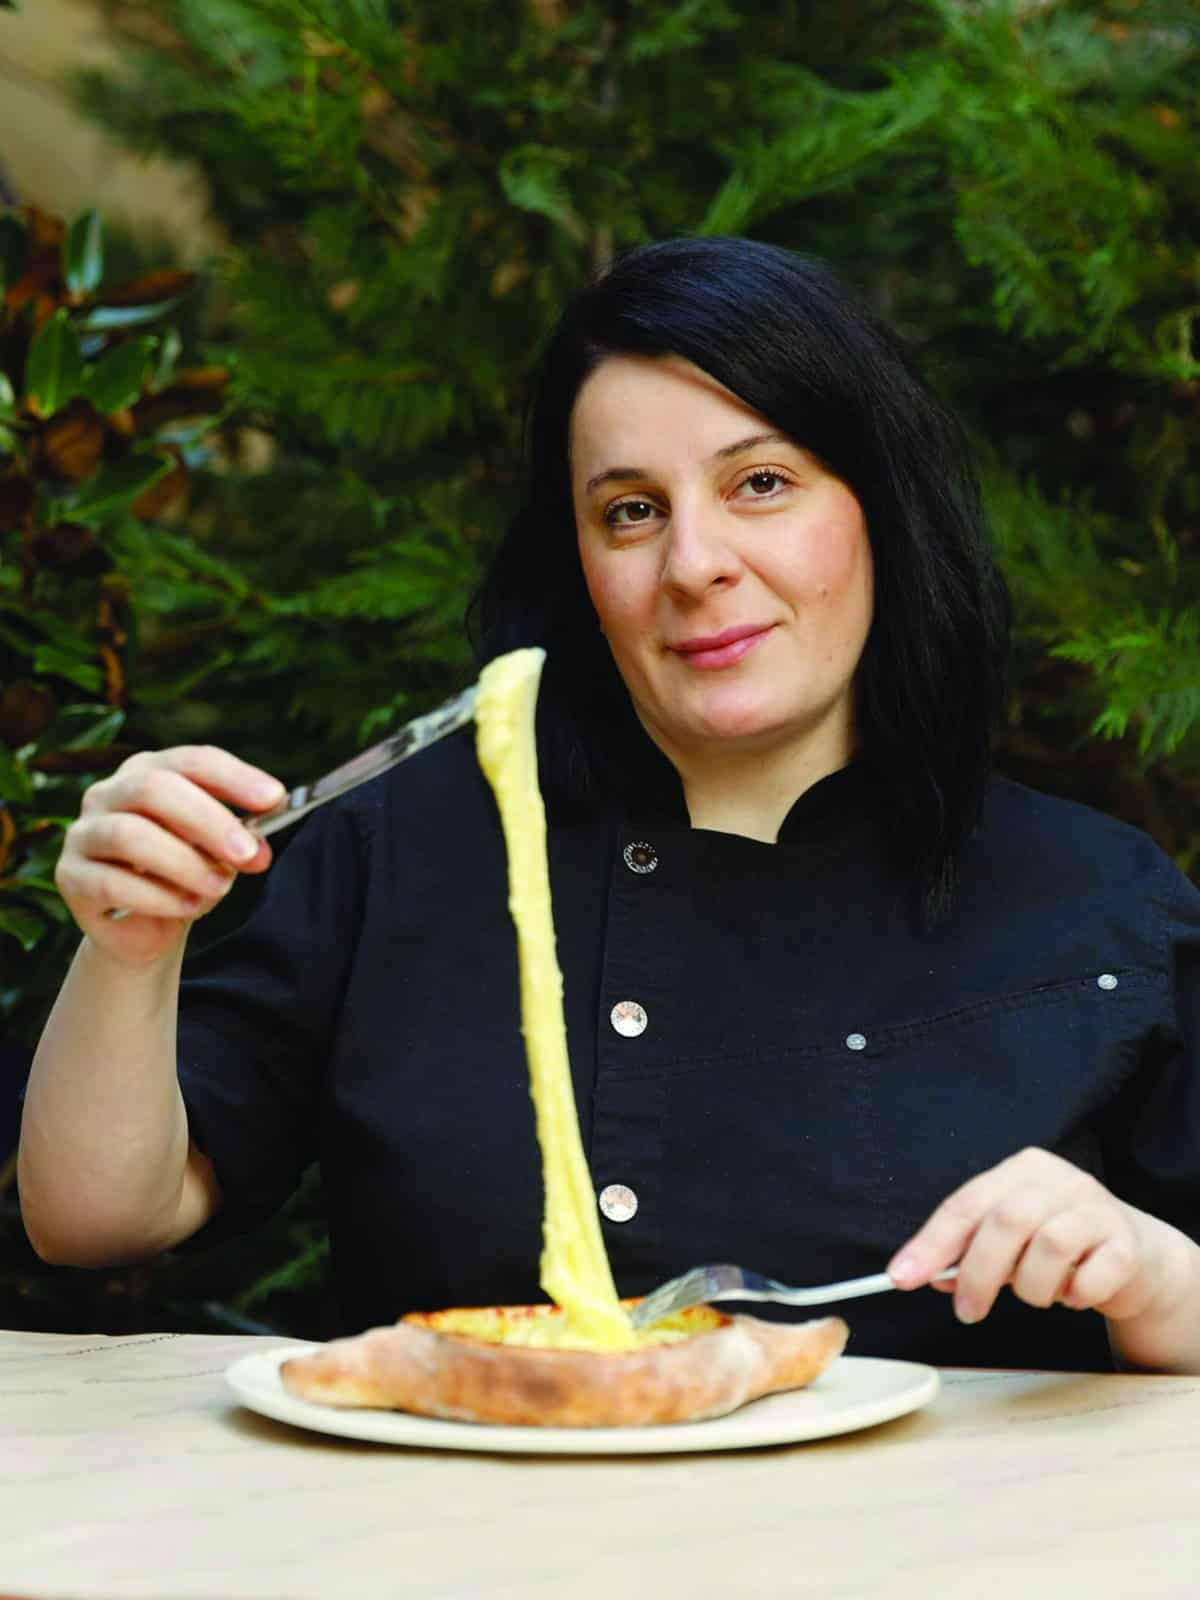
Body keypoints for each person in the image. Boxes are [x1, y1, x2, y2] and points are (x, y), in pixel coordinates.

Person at [19, 237, 1200, 1374]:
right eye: (630, 509)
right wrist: (130, 946)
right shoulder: (408, 847)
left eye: (762, 483)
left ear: (882, 508)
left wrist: (1152, 1272)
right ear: (579, 561)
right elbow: (97, 1218)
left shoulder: (1095, 902)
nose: (695, 563)